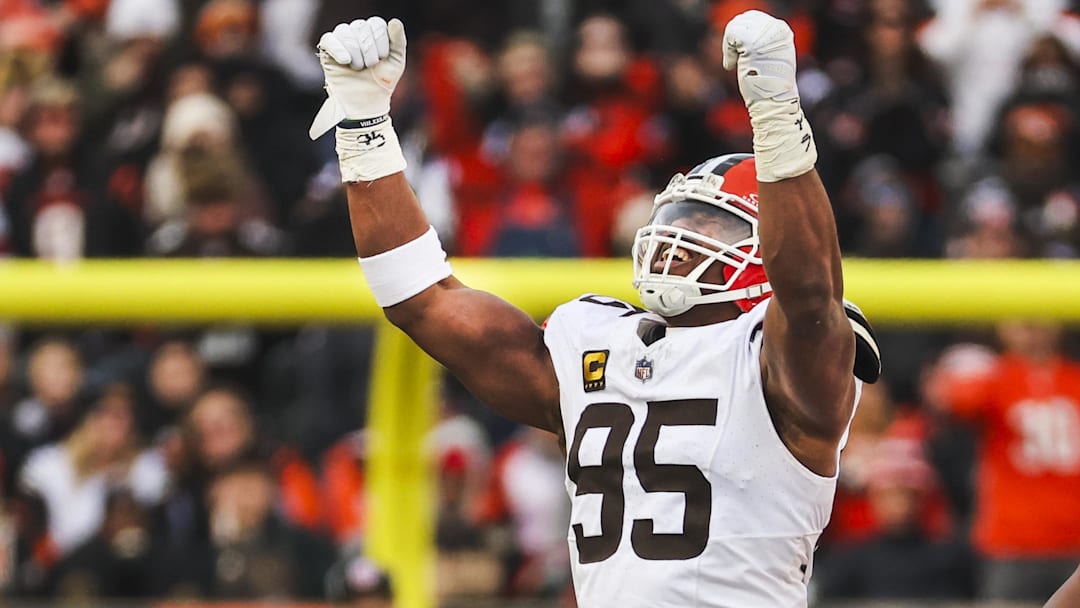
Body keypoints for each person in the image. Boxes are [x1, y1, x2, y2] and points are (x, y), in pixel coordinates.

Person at [309, 10, 880, 605]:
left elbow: (811, 294)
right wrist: (363, 123)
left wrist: (774, 112)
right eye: (679, 220)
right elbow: (421, 301)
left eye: (715, 226)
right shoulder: (596, 339)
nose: (678, 241)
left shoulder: (782, 361)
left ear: (771, 249)